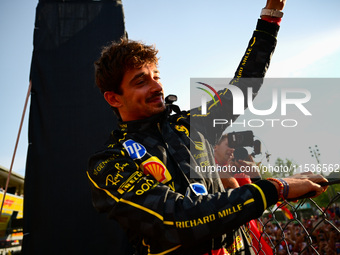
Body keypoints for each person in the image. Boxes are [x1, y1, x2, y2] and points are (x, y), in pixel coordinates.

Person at [87, 1, 328, 254]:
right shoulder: (109, 162)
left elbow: (243, 88)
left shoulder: (192, 124)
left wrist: (271, 17)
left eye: (156, 76)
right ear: (114, 98)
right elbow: (175, 219)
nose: (157, 87)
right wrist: (276, 188)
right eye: (141, 81)